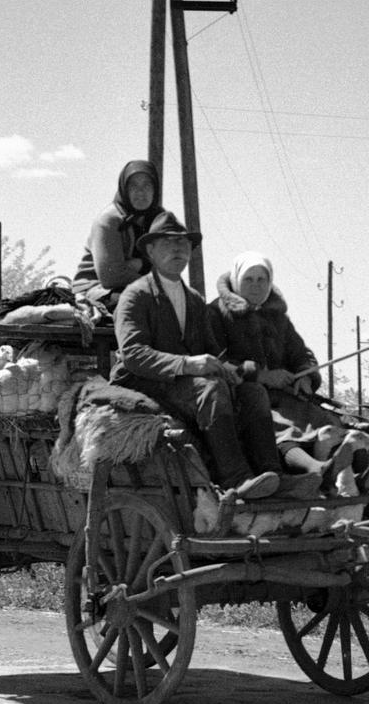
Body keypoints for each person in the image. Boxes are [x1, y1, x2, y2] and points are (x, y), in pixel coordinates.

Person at [111, 214, 294, 502]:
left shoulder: (194, 299)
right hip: (144, 383)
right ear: (150, 251)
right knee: (209, 387)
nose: (178, 250)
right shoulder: (136, 295)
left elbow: (211, 350)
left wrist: (227, 369)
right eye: (168, 244)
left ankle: (273, 476)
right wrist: (187, 364)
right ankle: (236, 479)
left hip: (186, 384)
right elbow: (133, 355)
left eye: (183, 244)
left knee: (253, 391)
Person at [209, 251, 369, 492]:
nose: (256, 286)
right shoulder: (216, 314)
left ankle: (358, 481)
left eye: (262, 280)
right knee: (281, 425)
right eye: (248, 279)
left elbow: (302, 354)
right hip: (245, 395)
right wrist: (263, 376)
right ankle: (316, 470)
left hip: (287, 396)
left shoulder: (278, 318)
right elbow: (216, 360)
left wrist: (305, 376)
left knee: (327, 420)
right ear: (236, 281)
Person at [71, 160, 164, 312]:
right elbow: (111, 276)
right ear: (124, 189)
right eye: (133, 185)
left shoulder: (160, 219)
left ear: (155, 189)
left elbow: (168, 265)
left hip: (141, 287)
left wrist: (141, 265)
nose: (141, 192)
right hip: (97, 288)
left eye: (147, 185)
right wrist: (148, 270)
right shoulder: (109, 220)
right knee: (136, 303)